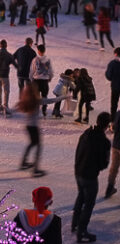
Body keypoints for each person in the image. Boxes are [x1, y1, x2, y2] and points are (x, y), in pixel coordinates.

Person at [72, 112, 111, 243]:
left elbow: (78, 151)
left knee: (80, 196)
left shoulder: (86, 134)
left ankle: (75, 223)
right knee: (89, 203)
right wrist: (98, 167)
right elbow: (104, 163)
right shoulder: (104, 142)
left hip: (78, 171)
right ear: (107, 125)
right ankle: (81, 231)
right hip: (89, 176)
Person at [16, 84, 68, 177]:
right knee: (38, 146)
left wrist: (7, 109)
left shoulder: (26, 101)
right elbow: (52, 100)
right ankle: (35, 169)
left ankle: (24, 162)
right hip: (34, 127)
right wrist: (64, 96)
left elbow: (15, 108)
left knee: (32, 143)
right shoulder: (37, 101)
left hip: (28, 126)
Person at [0, 39, 17, 115]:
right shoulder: (9, 55)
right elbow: (15, 65)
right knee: (6, 91)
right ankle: (5, 105)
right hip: (5, 75)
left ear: (0, 46)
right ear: (6, 46)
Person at [29, 44, 54, 117]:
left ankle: (36, 110)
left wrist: (31, 79)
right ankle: (44, 110)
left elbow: (32, 71)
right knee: (44, 96)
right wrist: (50, 77)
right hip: (44, 81)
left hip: (36, 80)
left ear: (38, 51)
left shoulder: (35, 59)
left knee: (35, 97)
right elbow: (51, 70)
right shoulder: (48, 60)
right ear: (44, 50)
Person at [105, 110, 120, 199]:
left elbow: (113, 128)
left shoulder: (118, 113)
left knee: (114, 168)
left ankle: (109, 188)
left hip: (116, 144)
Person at [105, 48, 120, 122]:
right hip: (115, 86)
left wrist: (114, 79)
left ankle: (113, 122)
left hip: (115, 87)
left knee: (114, 105)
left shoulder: (112, 63)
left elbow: (108, 75)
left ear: (116, 54)